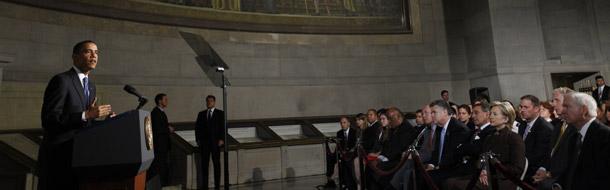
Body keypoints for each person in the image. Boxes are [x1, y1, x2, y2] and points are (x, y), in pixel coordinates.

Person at [37, 40, 112, 189]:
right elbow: (49, 120)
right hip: (58, 161)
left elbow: (85, 123)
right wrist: (86, 115)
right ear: (75, 57)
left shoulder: (91, 86)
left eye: (96, 53)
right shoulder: (61, 81)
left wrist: (106, 122)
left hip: (80, 159)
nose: (93, 55)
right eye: (88, 51)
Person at [445, 101, 526, 190]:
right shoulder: (490, 137)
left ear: (506, 119)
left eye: (495, 114)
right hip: (485, 175)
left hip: (503, 179)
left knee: (459, 186)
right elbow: (481, 158)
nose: (490, 117)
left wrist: (490, 173)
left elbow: (517, 167)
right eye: (491, 114)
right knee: (449, 182)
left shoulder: (513, 137)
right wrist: (482, 171)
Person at [552, 92, 610, 190]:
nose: (563, 111)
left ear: (584, 110)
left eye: (567, 107)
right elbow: (572, 170)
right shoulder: (575, 137)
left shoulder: (605, 136)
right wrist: (558, 185)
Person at [531, 87, 578, 190]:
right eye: (552, 100)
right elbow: (550, 152)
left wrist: (548, 174)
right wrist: (542, 168)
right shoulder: (557, 127)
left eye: (556, 100)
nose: (552, 104)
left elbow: (572, 160)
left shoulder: (576, 127)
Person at [369, 108, 418, 189]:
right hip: (390, 158)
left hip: (399, 160)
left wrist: (383, 160)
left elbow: (399, 149)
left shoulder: (407, 129)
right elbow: (386, 147)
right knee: (371, 165)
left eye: (390, 119)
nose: (389, 121)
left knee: (380, 167)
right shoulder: (393, 129)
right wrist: (380, 157)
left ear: (398, 118)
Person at [425, 100, 469, 187]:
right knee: (420, 173)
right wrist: (431, 165)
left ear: (445, 112)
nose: (432, 115)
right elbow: (436, 150)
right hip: (443, 166)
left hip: (455, 167)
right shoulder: (439, 127)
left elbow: (453, 154)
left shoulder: (458, 128)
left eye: (434, 112)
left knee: (429, 177)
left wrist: (440, 167)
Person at [518, 95, 553, 184]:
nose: (522, 110)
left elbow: (539, 155)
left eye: (526, 107)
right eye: (521, 107)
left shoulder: (544, 128)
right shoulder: (523, 125)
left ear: (536, 109)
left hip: (534, 174)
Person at [195, 95, 225, 190]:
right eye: (208, 101)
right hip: (204, 144)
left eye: (211, 101)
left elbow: (223, 127)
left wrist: (222, 139)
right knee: (204, 165)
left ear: (214, 102)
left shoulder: (220, 113)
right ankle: (205, 186)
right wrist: (198, 140)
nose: (209, 102)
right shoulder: (201, 114)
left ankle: (217, 186)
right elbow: (197, 128)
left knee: (216, 164)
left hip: (216, 143)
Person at [148, 93, 174, 187]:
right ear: (159, 101)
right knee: (157, 168)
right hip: (159, 147)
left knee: (162, 168)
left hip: (163, 146)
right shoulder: (155, 112)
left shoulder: (161, 112)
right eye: (165, 99)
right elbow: (156, 128)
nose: (167, 101)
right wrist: (168, 129)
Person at [336, 116, 357, 190]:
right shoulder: (339, 133)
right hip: (343, 153)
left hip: (352, 153)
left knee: (347, 159)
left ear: (349, 123)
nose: (342, 125)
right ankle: (342, 183)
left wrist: (347, 151)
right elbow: (339, 146)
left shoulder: (354, 132)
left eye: (344, 123)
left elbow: (355, 145)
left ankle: (349, 184)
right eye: (341, 123)